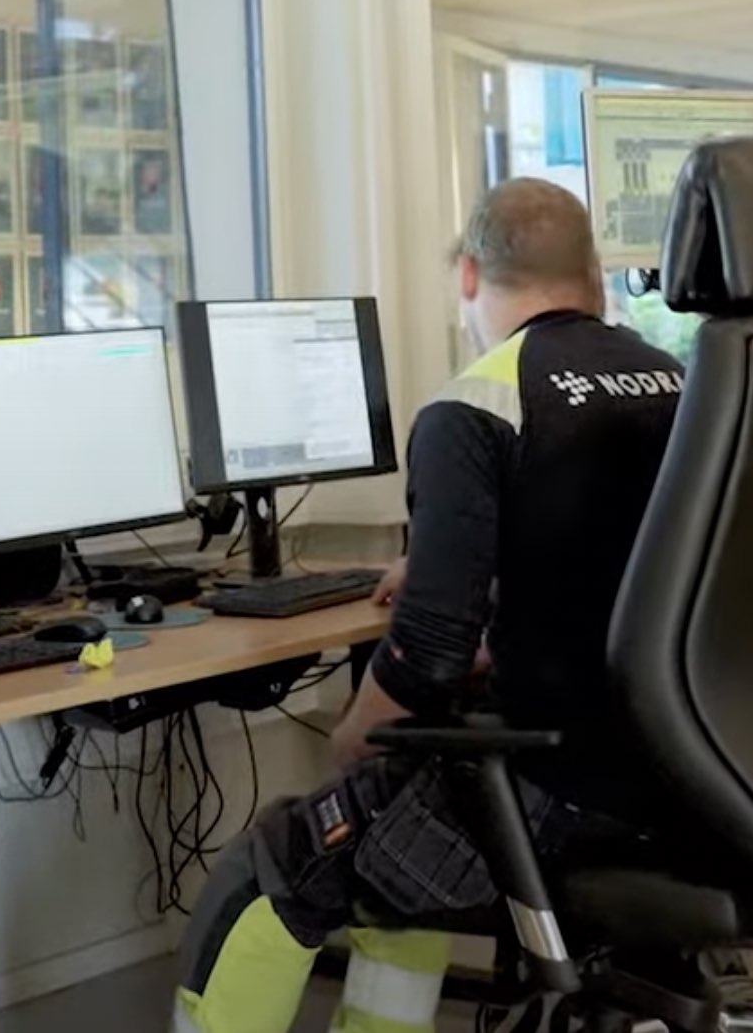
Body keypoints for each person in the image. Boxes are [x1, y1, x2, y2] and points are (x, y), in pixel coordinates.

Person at [172, 178, 686, 1033]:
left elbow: (430, 650)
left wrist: (355, 735)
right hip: (677, 772)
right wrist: (466, 569)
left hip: (553, 787)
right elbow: (625, 565)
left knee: (275, 870)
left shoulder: (475, 405)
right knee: (390, 869)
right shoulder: (676, 379)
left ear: (470, 277)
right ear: (595, 277)